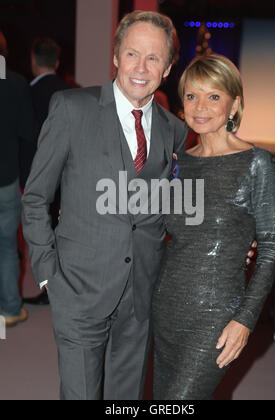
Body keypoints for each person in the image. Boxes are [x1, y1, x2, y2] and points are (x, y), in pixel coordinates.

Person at [22, 11, 187, 400]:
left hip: (141, 296)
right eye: (132, 54)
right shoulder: (71, 109)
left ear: (167, 68)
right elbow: (35, 198)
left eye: (153, 58)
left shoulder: (174, 130)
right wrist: (49, 276)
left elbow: (175, 208)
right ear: (115, 56)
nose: (141, 68)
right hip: (77, 289)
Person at [152, 54, 275, 400]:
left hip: (217, 315)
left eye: (213, 96)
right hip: (166, 306)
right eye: (192, 96)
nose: (200, 106)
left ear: (234, 103)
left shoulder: (257, 163)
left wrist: (245, 320)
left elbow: (270, 248)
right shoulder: (179, 163)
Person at [23, 37, 73, 306]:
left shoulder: (27, 93)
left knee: (41, 222)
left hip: (35, 172)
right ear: (56, 61)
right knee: (58, 225)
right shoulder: (69, 91)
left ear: (33, 60)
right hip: (68, 173)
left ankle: (50, 285)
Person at [0, 30, 36, 327]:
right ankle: (11, 308)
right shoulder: (15, 83)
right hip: (6, 178)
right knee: (7, 246)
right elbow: (28, 130)